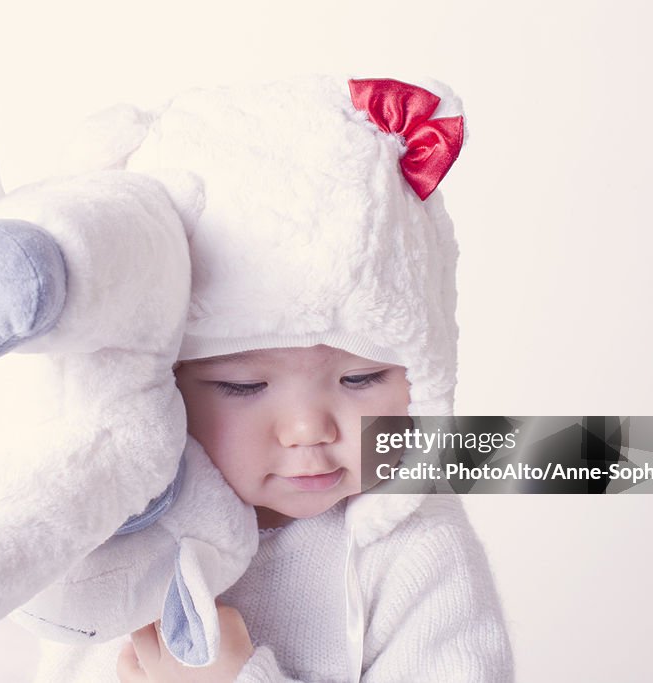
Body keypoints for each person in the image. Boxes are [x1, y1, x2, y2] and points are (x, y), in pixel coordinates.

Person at [36, 76, 515, 682]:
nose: (307, 429)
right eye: (242, 386)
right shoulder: (118, 541)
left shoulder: (417, 554)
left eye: (363, 378)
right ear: (165, 384)